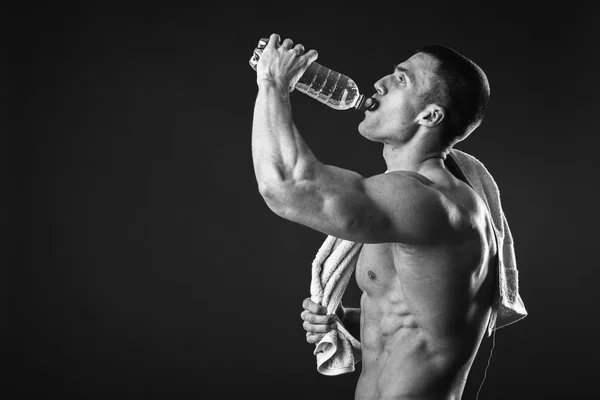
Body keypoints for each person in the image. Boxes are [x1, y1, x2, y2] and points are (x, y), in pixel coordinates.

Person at [252, 33, 497, 400]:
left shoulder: (427, 199)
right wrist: (356, 320)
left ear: (429, 115)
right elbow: (424, 323)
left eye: (401, 79)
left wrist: (273, 82)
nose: (380, 83)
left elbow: (286, 186)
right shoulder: (407, 197)